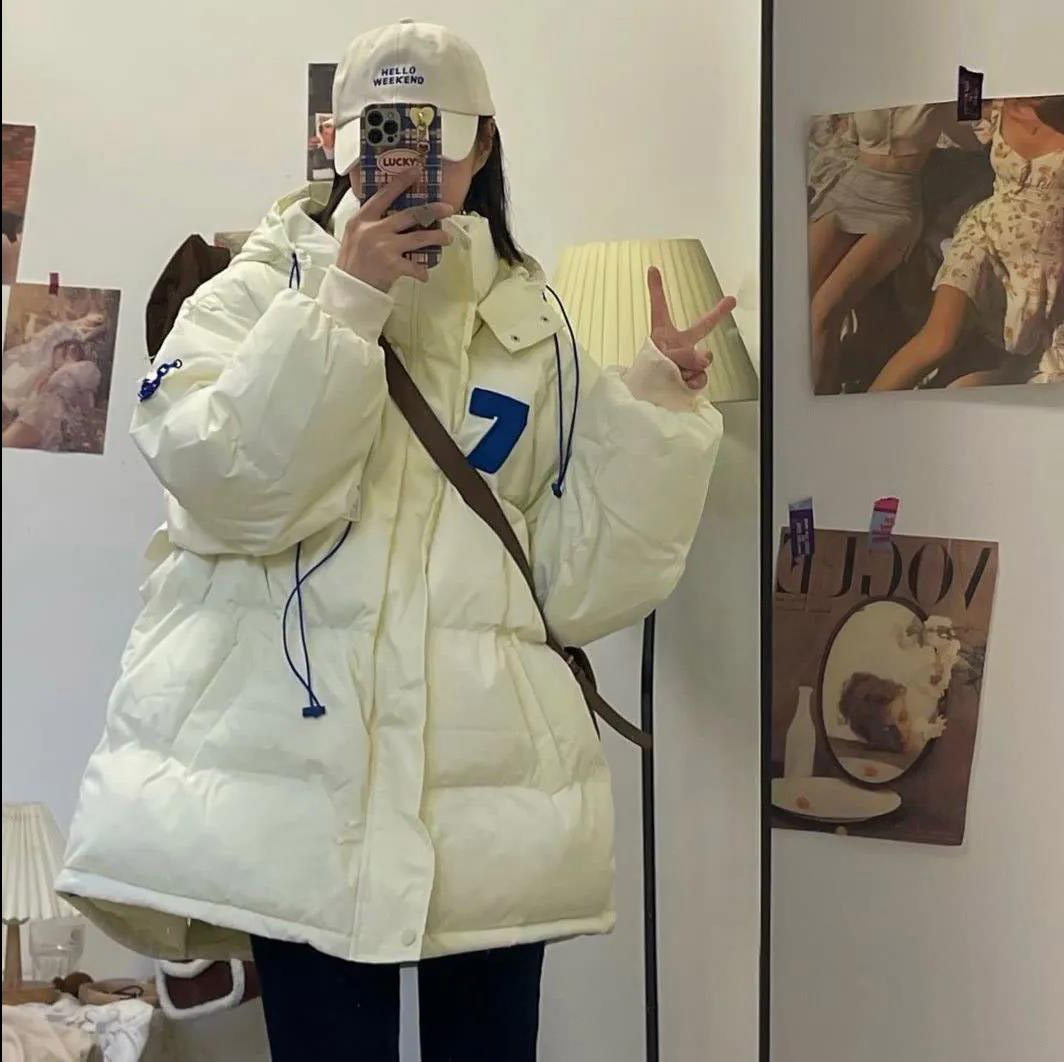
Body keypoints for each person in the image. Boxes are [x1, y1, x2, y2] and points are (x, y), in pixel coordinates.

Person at [56, 20, 734, 1061]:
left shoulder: (533, 324)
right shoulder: (246, 296)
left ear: (484, 144)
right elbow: (237, 492)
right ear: (336, 141)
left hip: (485, 791)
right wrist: (348, 301)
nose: (412, 166)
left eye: (437, 138)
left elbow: (573, 585)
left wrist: (651, 406)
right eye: (385, 135)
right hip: (300, 790)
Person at [871, 96, 1064, 390]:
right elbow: (955, 91)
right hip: (985, 234)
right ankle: (865, 412)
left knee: (1019, 364)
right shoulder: (999, 106)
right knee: (937, 340)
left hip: (1043, 265)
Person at [807, 103, 960, 393]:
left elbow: (970, 136)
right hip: (850, 189)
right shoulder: (866, 89)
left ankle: (823, 404)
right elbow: (848, 134)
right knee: (792, 299)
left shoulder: (936, 98)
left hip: (896, 204)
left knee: (823, 313)